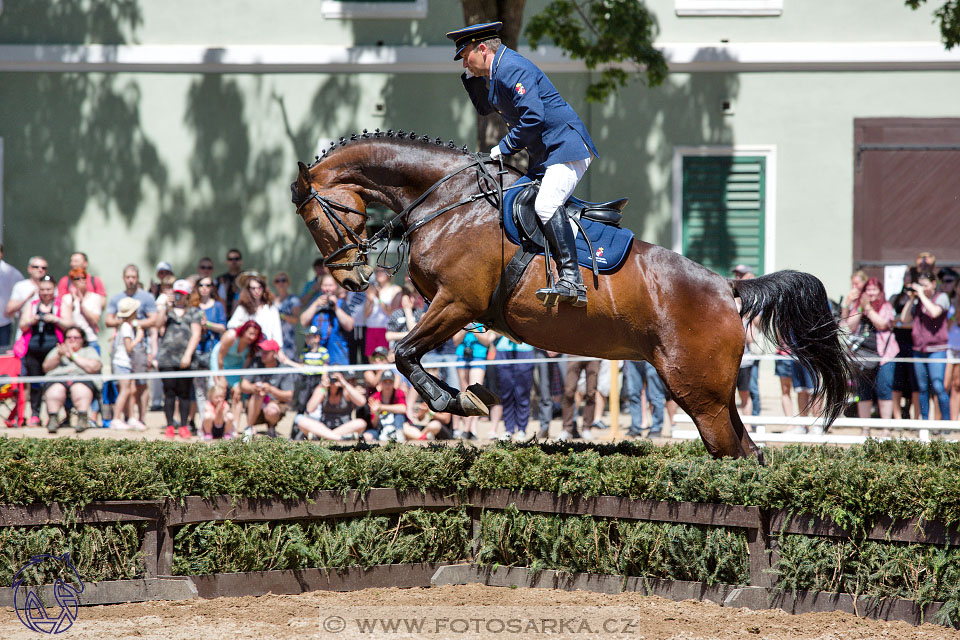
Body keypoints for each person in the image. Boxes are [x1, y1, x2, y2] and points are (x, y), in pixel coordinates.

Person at [449, 21, 599, 307]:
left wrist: (503, 148)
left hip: (565, 148)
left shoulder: (511, 68)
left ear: (483, 48)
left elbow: (533, 118)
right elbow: (484, 108)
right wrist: (470, 76)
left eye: (466, 55)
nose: (463, 62)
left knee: (544, 205)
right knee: (512, 201)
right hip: (546, 155)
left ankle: (572, 279)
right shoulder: (497, 72)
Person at [841, 277, 899, 431]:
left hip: (884, 356)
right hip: (862, 356)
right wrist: (860, 307)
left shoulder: (886, 306)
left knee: (884, 389)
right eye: (868, 290)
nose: (871, 293)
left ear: (880, 292)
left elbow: (882, 324)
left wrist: (869, 309)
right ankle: (865, 429)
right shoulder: (860, 306)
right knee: (863, 391)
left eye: (874, 289)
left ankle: (886, 429)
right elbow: (850, 325)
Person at [16, 276, 74, 426]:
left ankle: (54, 415)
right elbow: (22, 325)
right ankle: (35, 414)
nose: (45, 293)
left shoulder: (61, 304)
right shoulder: (33, 305)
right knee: (35, 384)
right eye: (42, 289)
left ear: (53, 289)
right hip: (34, 351)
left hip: (55, 352)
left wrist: (55, 319)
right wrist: (32, 320)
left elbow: (70, 325)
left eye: (48, 289)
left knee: (55, 382)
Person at [105, 265, 159, 424]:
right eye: (128, 277)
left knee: (141, 384)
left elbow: (153, 319)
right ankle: (127, 418)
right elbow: (108, 320)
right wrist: (125, 322)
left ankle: (141, 418)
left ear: (137, 278)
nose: (131, 280)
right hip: (122, 348)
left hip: (140, 348)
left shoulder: (146, 297)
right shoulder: (117, 298)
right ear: (124, 278)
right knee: (125, 386)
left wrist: (135, 323)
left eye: (133, 277)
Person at [900, 271, 951, 421]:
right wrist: (911, 300)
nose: (922, 288)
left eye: (925, 285)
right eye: (920, 285)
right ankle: (925, 423)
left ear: (934, 284)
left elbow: (935, 312)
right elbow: (904, 319)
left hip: (936, 350)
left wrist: (921, 295)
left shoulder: (942, 297)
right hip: (919, 349)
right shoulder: (918, 301)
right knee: (922, 388)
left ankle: (946, 423)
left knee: (937, 386)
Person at [156, 280, 203, 439]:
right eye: (176, 293)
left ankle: (184, 425)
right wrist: (164, 307)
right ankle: (170, 425)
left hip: (185, 359)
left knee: (184, 394)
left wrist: (188, 355)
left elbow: (196, 334)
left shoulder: (194, 312)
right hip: (167, 359)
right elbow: (157, 326)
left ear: (188, 295)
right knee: (169, 393)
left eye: (182, 294)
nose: (178, 297)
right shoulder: (168, 311)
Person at [41, 327, 101, 433]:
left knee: (79, 389)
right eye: (68, 337)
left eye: (76, 337)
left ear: (82, 339)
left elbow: (94, 367)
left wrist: (73, 356)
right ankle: (53, 419)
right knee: (56, 390)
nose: (72, 340)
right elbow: (46, 367)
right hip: (58, 379)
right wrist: (59, 356)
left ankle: (82, 419)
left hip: (82, 380)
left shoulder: (88, 351)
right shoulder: (57, 350)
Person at [239, 339, 295, 439]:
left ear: (275, 353)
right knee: (258, 395)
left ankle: (271, 428)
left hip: (274, 405)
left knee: (271, 410)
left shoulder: (283, 368)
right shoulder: (256, 363)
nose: (262, 354)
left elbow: (289, 395)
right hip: (255, 404)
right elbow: (243, 385)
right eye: (262, 352)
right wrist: (253, 388)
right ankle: (249, 427)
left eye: (266, 352)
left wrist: (270, 389)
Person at [293, 371, 367, 441]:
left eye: (336, 379)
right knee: (301, 421)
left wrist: (345, 384)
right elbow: (309, 409)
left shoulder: (345, 391)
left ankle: (326, 437)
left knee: (361, 423)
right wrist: (323, 388)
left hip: (344, 428)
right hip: (324, 428)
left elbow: (362, 402)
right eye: (331, 378)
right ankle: (339, 438)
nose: (333, 381)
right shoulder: (323, 390)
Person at [299, 275, 354, 366]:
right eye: (325, 285)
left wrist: (336, 308)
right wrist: (316, 304)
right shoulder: (316, 303)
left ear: (336, 286)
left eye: (330, 285)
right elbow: (303, 321)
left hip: (337, 353)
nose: (328, 289)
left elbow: (349, 326)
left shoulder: (341, 304)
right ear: (321, 287)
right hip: (317, 354)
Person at [111, 297, 146, 431]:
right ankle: (116, 419)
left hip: (127, 363)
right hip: (122, 363)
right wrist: (138, 338)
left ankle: (131, 417)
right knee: (125, 391)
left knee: (132, 390)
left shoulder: (126, 326)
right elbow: (129, 347)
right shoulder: (126, 327)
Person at [492, 333, 535, 441]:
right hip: (503, 350)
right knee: (506, 394)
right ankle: (509, 429)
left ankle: (521, 429)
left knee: (522, 393)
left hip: (525, 349)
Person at [890, 269, 920, 420]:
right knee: (897, 382)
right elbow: (892, 319)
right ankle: (897, 418)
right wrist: (904, 323)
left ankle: (916, 419)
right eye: (905, 276)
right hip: (897, 345)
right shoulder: (896, 298)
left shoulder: (919, 299)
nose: (906, 278)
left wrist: (901, 323)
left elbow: (916, 324)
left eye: (909, 275)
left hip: (914, 345)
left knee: (915, 383)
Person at [228, 271, 284, 346]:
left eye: (259, 288)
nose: (256, 291)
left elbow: (277, 335)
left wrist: (276, 349)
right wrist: (247, 327)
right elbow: (231, 325)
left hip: (265, 350)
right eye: (253, 288)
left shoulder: (271, 309)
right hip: (247, 350)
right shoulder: (243, 308)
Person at [7, 255, 48, 342]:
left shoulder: (51, 288)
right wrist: (28, 297)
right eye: (36, 267)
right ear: (29, 269)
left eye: (43, 268)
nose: (40, 270)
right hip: (25, 337)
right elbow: (9, 310)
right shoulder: (21, 286)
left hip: (47, 337)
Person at [559, 357, 599, 440]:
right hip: (574, 353)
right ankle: (567, 429)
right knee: (569, 391)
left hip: (593, 353)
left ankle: (587, 428)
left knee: (591, 393)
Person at [66, 268, 103, 353]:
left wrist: (82, 305)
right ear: (72, 281)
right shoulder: (67, 299)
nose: (81, 280)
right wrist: (72, 303)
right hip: (73, 342)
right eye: (77, 278)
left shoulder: (95, 298)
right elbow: (67, 322)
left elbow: (95, 321)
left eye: (83, 277)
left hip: (91, 340)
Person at [365, 369, 406, 443]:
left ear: (393, 383)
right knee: (367, 436)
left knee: (399, 415)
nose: (387, 385)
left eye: (390, 382)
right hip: (381, 428)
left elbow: (403, 409)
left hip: (397, 426)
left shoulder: (399, 393)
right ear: (380, 383)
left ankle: (399, 436)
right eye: (385, 382)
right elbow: (374, 424)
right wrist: (376, 412)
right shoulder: (375, 397)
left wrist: (381, 407)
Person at [272, 271, 302, 361]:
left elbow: (295, 319)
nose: (281, 283)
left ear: (288, 283)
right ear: (274, 284)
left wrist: (279, 315)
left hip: (288, 339)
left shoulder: (293, 300)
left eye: (283, 280)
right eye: (278, 281)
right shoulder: (271, 300)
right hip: (273, 338)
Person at [0, 245, 24, 348]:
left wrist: (13, 310)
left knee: (3, 355)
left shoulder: (10, 272)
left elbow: (23, 291)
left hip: (3, 322)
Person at [216, 249, 244, 318]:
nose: (233, 261)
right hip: (223, 315)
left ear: (241, 261)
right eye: (230, 259)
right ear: (227, 262)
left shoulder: (246, 278)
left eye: (236, 259)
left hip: (242, 315)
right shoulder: (221, 279)